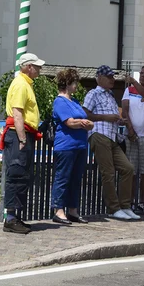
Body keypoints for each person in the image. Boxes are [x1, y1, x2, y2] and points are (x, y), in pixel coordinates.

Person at [83, 65, 139, 220]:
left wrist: (119, 121)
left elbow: (111, 116)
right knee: (107, 172)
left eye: (112, 77)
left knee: (127, 168)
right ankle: (113, 208)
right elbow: (85, 113)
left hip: (112, 136)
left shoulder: (110, 95)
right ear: (99, 77)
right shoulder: (93, 93)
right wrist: (106, 118)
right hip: (99, 134)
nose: (112, 80)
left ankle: (125, 206)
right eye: (109, 77)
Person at [0, 53, 45, 234]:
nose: (39, 69)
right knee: (16, 174)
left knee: (22, 175)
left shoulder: (25, 84)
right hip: (19, 134)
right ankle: (10, 218)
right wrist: (22, 138)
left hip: (23, 133)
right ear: (28, 67)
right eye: (37, 66)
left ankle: (14, 217)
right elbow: (17, 113)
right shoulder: (20, 85)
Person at [51, 69, 94, 225]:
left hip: (80, 145)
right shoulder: (59, 102)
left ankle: (73, 211)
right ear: (67, 84)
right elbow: (69, 122)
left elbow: (85, 120)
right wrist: (83, 124)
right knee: (63, 178)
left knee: (76, 179)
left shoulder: (75, 102)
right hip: (66, 146)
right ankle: (59, 210)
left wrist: (86, 124)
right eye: (75, 82)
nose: (77, 85)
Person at [122, 65, 144, 216]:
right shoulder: (129, 90)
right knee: (131, 170)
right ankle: (129, 202)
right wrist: (130, 129)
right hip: (131, 135)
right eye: (141, 73)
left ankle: (142, 202)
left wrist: (134, 82)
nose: (142, 76)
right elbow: (124, 109)